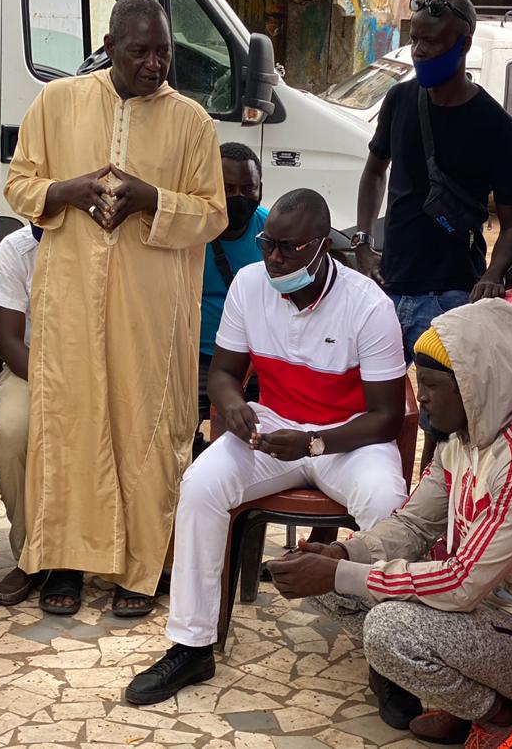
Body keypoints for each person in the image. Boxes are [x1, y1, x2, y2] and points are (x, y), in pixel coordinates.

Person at [266, 300, 512, 749]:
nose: (420, 395)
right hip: (486, 613)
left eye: (430, 384)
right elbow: (412, 526)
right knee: (338, 590)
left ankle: (502, 717)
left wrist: (342, 573)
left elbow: (463, 582)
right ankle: (466, 702)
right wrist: (342, 555)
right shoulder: (460, 442)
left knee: (387, 629)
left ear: (474, 385)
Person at [126, 188, 410, 705]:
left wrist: (315, 443)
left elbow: (387, 417)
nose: (274, 258)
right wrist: (234, 405)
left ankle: (391, 661)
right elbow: (226, 374)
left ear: (323, 245)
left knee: (388, 503)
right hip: (274, 428)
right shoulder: (250, 284)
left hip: (347, 438)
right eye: (268, 243)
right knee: (201, 485)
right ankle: (192, 646)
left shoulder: (368, 303)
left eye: (288, 247)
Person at [4, 0, 227, 619]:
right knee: (70, 423)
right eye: (140, 51)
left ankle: (142, 566)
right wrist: (67, 191)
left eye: (164, 51)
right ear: (109, 46)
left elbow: (214, 214)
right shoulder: (57, 103)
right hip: (69, 297)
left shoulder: (192, 123)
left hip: (152, 307)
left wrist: (150, 198)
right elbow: (19, 183)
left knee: (147, 425)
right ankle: (66, 561)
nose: (155, 64)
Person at [354, 0, 512, 474]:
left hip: (453, 291)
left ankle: (434, 520)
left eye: (432, 42)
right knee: (371, 409)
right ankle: (361, 517)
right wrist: (365, 244)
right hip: (391, 284)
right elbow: (373, 171)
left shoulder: (496, 125)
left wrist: (493, 274)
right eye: (415, 40)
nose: (420, 51)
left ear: (463, 45)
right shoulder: (399, 100)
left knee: (444, 424)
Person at [192, 142, 267, 458]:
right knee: (174, 436)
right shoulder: (191, 231)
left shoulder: (269, 230)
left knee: (258, 440)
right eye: (228, 188)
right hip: (197, 356)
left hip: (256, 358)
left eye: (248, 188)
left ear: (260, 189)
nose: (239, 197)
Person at [0, 222, 44, 606]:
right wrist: (52, 385)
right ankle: (30, 556)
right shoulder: (17, 248)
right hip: (30, 367)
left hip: (97, 372)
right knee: (11, 433)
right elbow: (8, 340)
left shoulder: (105, 242)